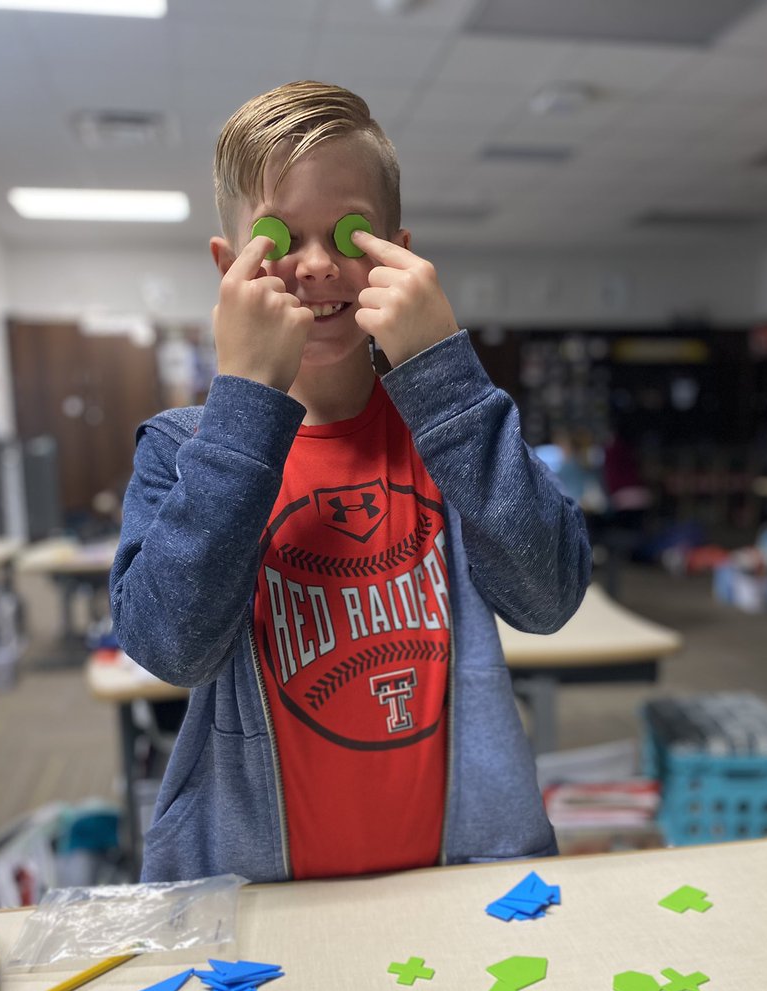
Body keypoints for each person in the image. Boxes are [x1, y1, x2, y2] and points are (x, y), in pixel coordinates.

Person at [110, 80, 591, 884]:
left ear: (398, 253)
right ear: (229, 268)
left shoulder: (450, 429)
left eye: (348, 232)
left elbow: (549, 598)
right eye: (280, 236)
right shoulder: (182, 447)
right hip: (264, 897)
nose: (318, 264)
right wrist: (245, 403)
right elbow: (171, 649)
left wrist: (443, 375)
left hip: (457, 879)